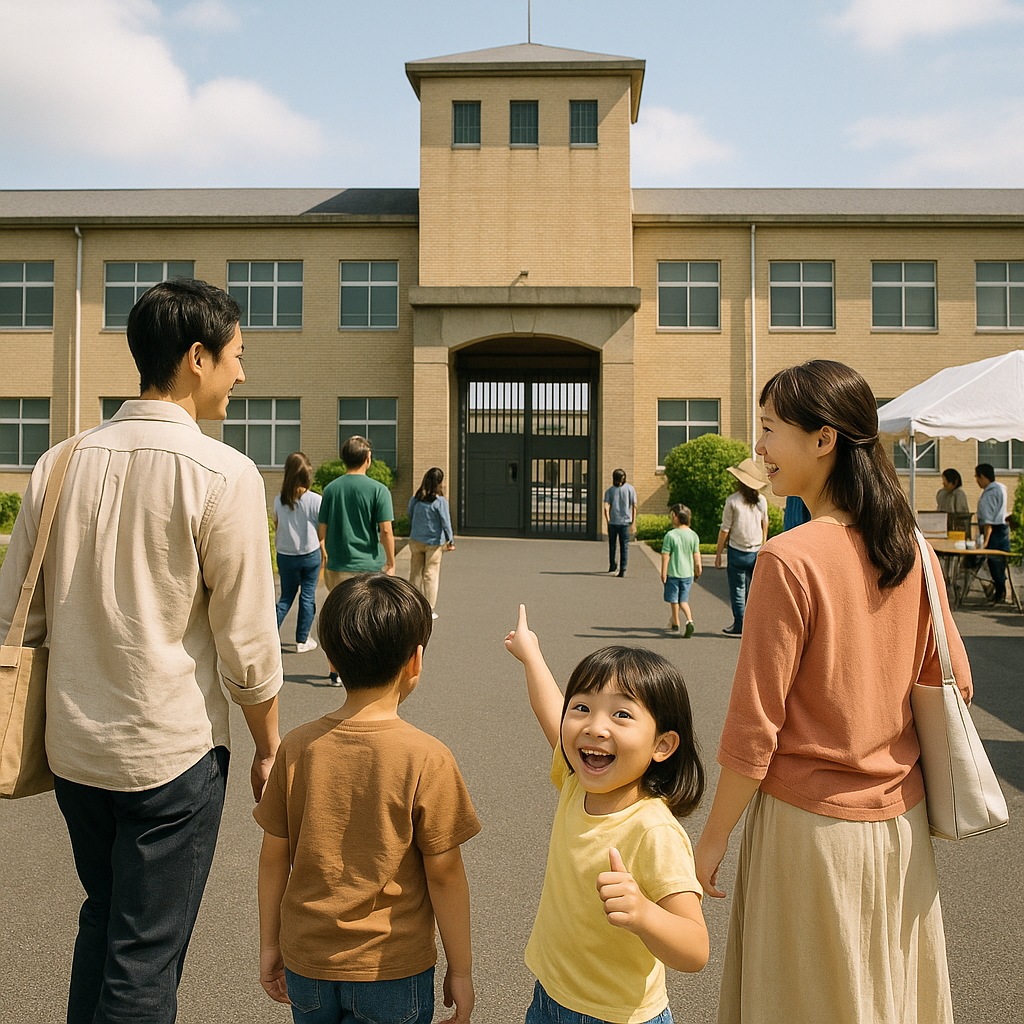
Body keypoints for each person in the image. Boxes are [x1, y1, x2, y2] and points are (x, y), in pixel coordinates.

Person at [0, 279, 283, 1024]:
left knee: (104, 917)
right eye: (236, 355)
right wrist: (268, 745)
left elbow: (17, 616)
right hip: (170, 755)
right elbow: (247, 644)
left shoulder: (58, 463)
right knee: (145, 959)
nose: (242, 373)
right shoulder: (224, 474)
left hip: (73, 751)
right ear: (197, 357)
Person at [694, 359, 972, 1024]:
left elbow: (755, 729)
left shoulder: (789, 559)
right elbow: (954, 682)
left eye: (769, 429)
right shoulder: (913, 550)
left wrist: (711, 839)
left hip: (808, 833)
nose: (759, 446)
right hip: (901, 832)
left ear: (824, 439)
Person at [255, 574, 480, 1024]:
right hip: (392, 967)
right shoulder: (427, 757)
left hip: (308, 962)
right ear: (415, 661)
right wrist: (461, 969)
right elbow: (445, 873)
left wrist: (269, 944)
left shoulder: (297, 747)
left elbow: (273, 858)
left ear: (331, 658)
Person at [504, 606, 709, 1024]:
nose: (595, 727)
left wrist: (644, 914)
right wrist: (531, 654)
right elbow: (551, 711)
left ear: (662, 745)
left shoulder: (653, 830)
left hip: (619, 1016)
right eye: (582, 708)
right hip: (550, 995)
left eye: (621, 715)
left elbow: (695, 949)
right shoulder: (576, 782)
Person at [318, 434, 395, 683]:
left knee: (338, 619)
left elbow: (322, 530)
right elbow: (386, 531)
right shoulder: (379, 490)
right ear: (368, 458)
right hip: (369, 566)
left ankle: (336, 670)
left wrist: (325, 553)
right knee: (370, 620)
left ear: (344, 458)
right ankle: (368, 670)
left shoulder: (331, 489)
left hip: (338, 565)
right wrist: (391, 562)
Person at [273, 452, 326, 652]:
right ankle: (302, 640)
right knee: (307, 596)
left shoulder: (279, 500)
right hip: (310, 553)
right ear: (307, 475)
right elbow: (322, 530)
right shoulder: (315, 500)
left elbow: (277, 525)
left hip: (286, 554)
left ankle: (269, 637)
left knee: (286, 597)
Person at [714, 458, 768, 637]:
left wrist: (718, 554)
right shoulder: (761, 501)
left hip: (737, 551)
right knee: (755, 591)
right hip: (756, 550)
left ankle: (740, 624)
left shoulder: (733, 501)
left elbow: (725, 530)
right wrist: (763, 542)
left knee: (738, 590)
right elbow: (765, 523)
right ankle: (754, 626)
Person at [407, 466, 455, 619]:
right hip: (433, 543)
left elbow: (409, 514)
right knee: (431, 575)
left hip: (416, 539)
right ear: (439, 482)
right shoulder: (440, 501)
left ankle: (412, 606)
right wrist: (450, 540)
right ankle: (429, 609)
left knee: (415, 573)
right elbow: (445, 521)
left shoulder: (416, 498)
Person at [660, 503, 701, 638]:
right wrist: (698, 568)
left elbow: (666, 555)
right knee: (684, 600)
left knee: (674, 600)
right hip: (688, 574)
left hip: (673, 573)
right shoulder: (693, 535)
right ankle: (689, 620)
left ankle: (676, 623)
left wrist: (663, 572)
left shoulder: (670, 535)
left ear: (675, 516)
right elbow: (696, 554)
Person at [974, 462, 1010, 604]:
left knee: (994, 562)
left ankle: (1000, 593)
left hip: (994, 531)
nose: (977, 480)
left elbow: (988, 521)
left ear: (983, 476)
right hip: (1002, 529)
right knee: (999, 563)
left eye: (977, 477)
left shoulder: (990, 493)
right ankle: (1000, 592)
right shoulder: (1001, 488)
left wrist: (985, 543)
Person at [604, 468, 637, 577]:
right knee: (624, 546)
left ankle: (612, 565)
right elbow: (634, 506)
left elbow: (606, 507)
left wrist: (608, 520)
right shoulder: (630, 489)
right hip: (625, 522)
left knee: (612, 545)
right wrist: (633, 521)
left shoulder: (610, 491)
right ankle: (623, 568)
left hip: (613, 522)